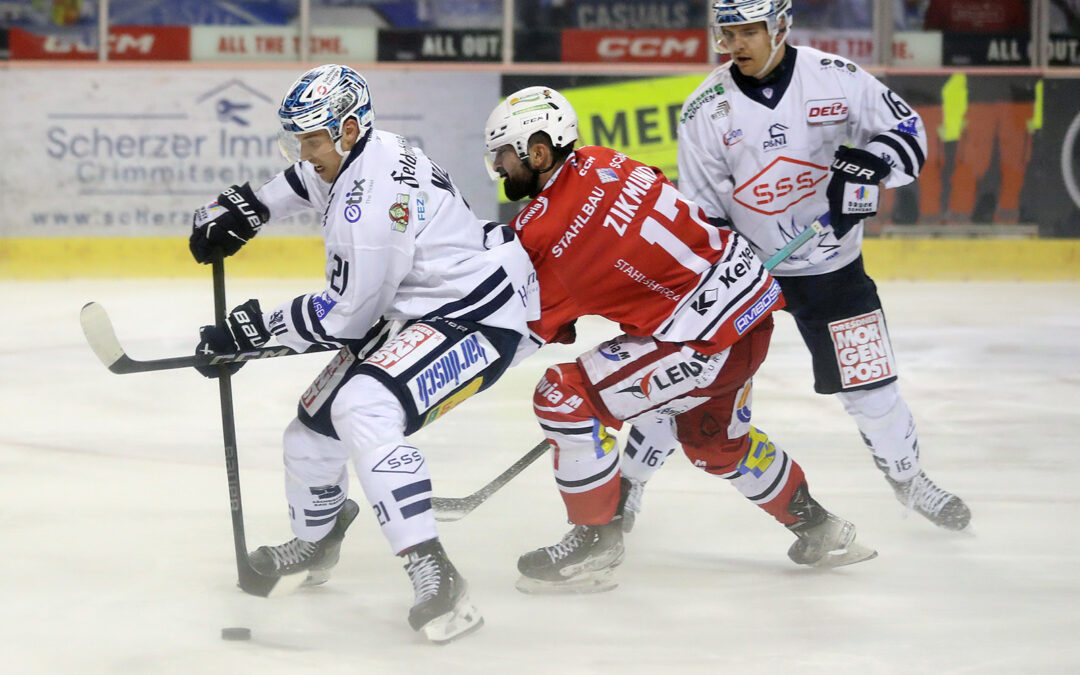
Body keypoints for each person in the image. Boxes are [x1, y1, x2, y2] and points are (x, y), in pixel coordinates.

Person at [188, 64, 537, 643]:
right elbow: (307, 178)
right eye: (299, 138)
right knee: (308, 437)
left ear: (350, 129)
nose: (306, 151)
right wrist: (247, 207)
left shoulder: (370, 205)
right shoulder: (365, 148)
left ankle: (436, 574)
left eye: (315, 138)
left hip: (476, 317)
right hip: (418, 310)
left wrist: (251, 333)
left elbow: (345, 316)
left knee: (363, 408)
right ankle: (318, 544)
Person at [483, 86, 877, 594]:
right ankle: (822, 529)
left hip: (703, 341)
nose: (498, 167)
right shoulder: (605, 161)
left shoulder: (544, 227)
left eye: (504, 154)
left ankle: (595, 542)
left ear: (538, 151)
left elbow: (535, 325)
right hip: (749, 317)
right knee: (715, 443)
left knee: (563, 397)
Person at [622, 0, 970, 533]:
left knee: (872, 387)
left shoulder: (834, 78)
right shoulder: (705, 109)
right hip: (744, 279)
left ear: (781, 25)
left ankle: (909, 478)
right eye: (727, 32)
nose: (736, 43)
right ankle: (628, 489)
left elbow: (907, 130)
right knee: (687, 384)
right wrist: (728, 265)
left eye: (749, 31)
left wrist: (872, 165)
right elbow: (703, 215)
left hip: (834, 270)